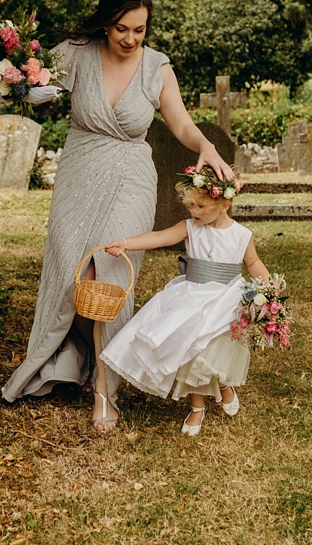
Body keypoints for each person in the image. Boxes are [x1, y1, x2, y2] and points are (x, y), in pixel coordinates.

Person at [0, 0, 234, 433]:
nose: (130, 39)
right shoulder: (75, 51)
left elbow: (181, 122)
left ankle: (104, 391)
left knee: (107, 275)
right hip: (80, 170)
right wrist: (20, 89)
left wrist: (205, 145)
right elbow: (33, 82)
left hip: (131, 175)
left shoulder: (156, 67)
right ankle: (78, 360)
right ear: (106, 23)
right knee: (74, 274)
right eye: (122, 28)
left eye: (140, 30)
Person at [100, 166, 269, 436]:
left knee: (215, 350)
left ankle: (224, 384)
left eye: (201, 206)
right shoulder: (190, 227)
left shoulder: (241, 235)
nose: (194, 211)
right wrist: (125, 243)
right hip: (191, 297)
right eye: (190, 205)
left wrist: (268, 289)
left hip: (226, 299)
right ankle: (197, 407)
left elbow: (253, 262)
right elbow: (158, 237)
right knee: (190, 349)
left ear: (224, 204)